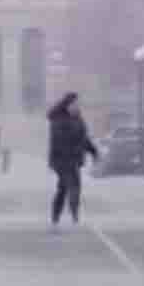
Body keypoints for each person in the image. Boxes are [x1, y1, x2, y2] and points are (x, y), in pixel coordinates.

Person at [46, 92, 98, 225]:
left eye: (78, 104)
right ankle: (72, 212)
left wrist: (93, 151)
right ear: (67, 105)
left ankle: (58, 214)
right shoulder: (58, 119)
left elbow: (83, 138)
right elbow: (58, 141)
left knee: (64, 187)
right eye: (74, 104)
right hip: (61, 160)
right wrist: (71, 149)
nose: (77, 106)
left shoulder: (78, 119)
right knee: (72, 184)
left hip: (73, 159)